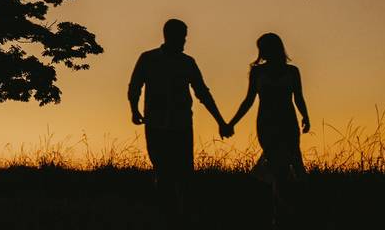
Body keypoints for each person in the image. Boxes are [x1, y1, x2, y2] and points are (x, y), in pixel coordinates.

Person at [128, 18, 228, 221]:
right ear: (169, 36)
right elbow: (134, 86)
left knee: (183, 174)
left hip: (181, 125)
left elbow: (202, 93)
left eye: (185, 38)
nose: (184, 42)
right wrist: (134, 110)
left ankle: (180, 216)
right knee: (163, 172)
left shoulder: (187, 63)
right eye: (181, 38)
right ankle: (167, 215)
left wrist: (220, 120)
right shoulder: (148, 59)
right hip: (156, 125)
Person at [225, 33, 309, 228]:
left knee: (295, 161)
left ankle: (291, 208)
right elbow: (249, 100)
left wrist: (306, 116)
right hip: (267, 125)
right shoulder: (257, 72)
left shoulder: (293, 72)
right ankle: (282, 212)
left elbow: (299, 97)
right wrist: (233, 122)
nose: (262, 52)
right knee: (279, 166)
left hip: (288, 123)